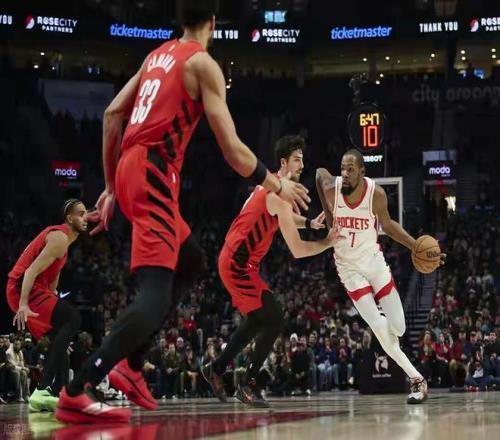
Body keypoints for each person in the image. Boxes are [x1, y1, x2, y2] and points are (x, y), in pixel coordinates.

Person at [57, 1, 310, 424]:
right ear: (213, 21)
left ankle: (132, 366)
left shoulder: (156, 56)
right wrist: (277, 183)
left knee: (191, 260)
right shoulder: (202, 64)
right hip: (153, 175)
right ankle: (79, 388)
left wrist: (111, 186)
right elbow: (233, 151)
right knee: (155, 295)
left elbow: (112, 114)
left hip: (130, 170)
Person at [202, 135, 340, 407]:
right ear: (283, 163)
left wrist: (309, 223)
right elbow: (298, 250)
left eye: (302, 159)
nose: (302, 165)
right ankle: (247, 384)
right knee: (275, 318)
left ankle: (216, 368)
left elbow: (283, 217)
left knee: (257, 320)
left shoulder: (272, 188)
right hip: (237, 264)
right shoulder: (278, 196)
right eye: (297, 160)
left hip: (236, 261)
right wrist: (327, 242)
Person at [315, 149, 445, 404]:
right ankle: (417, 379)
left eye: (350, 169)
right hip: (349, 269)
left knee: (399, 328)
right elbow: (319, 174)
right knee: (378, 326)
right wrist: (329, 215)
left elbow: (389, 227)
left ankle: (387, 328)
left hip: (374, 264)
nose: (345, 173)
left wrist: (416, 246)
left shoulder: (376, 194)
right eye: (342, 168)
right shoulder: (333, 188)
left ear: (362, 172)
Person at [5, 199, 86, 411]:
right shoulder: (59, 237)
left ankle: (62, 394)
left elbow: (51, 287)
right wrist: (23, 304)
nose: (85, 218)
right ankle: (42, 390)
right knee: (73, 317)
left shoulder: (64, 246)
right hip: (22, 288)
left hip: (33, 290)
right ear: (69, 218)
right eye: (81, 214)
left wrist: (62, 335)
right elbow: (30, 271)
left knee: (60, 342)